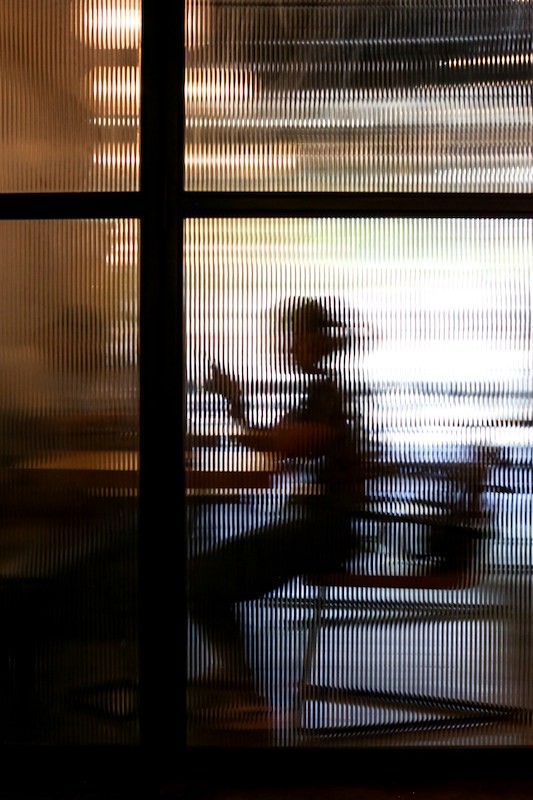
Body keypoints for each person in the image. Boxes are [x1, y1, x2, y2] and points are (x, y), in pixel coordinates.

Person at [187, 296, 368, 736]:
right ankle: (232, 676)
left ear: (319, 341)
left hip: (327, 532)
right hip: (324, 528)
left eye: (296, 338)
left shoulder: (334, 391)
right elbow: (274, 443)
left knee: (197, 578)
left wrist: (245, 416)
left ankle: (240, 689)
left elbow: (286, 443)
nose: (289, 348)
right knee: (201, 573)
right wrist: (238, 405)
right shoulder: (326, 390)